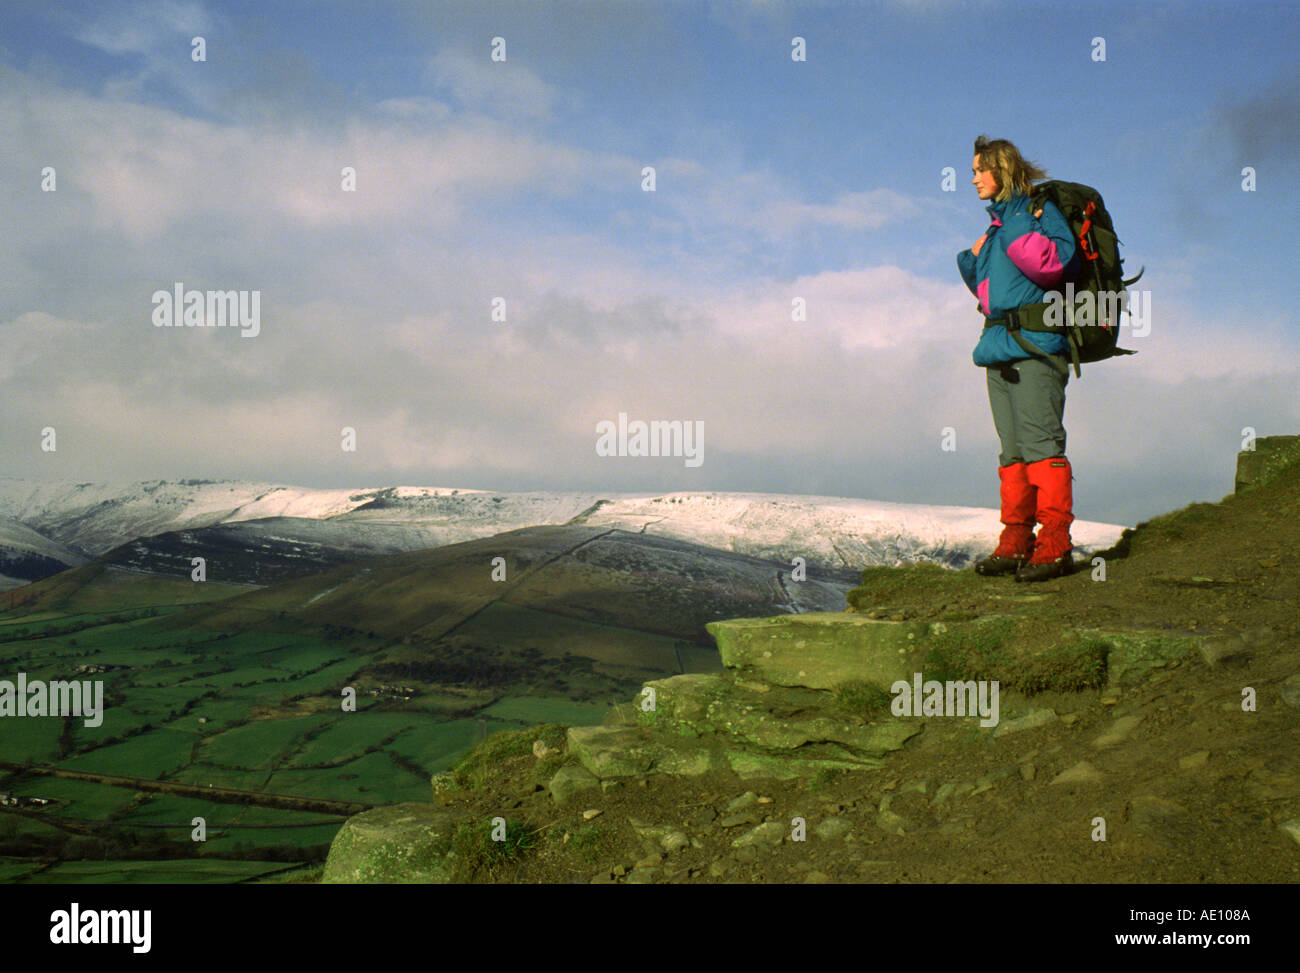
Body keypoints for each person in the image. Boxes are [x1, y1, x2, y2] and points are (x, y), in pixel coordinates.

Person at [957, 135, 1077, 582]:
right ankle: (1016, 541)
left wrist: (1013, 226)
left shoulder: (1034, 215)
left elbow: (1050, 266)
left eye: (978, 171)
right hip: (997, 348)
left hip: (1034, 349)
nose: (972, 180)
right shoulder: (1000, 226)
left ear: (1001, 170)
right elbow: (989, 292)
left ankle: (1056, 545)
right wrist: (971, 259)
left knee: (1042, 449)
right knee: (1013, 454)